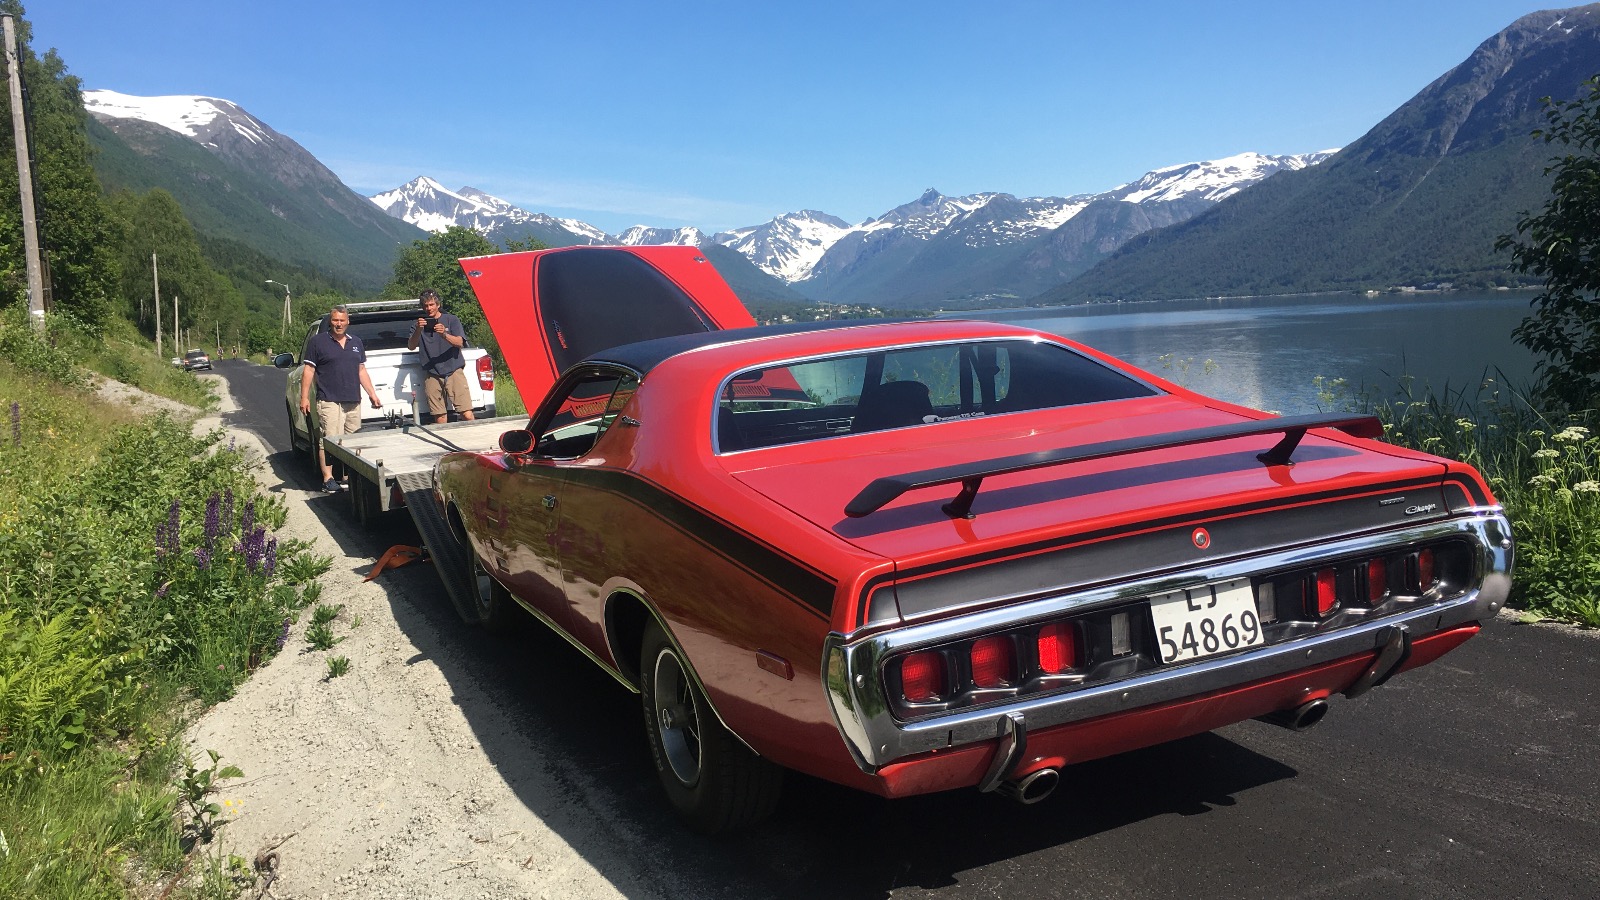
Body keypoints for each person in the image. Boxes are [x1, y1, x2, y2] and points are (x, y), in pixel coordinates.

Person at [299, 305, 382, 493]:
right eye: (335, 320)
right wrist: (304, 397)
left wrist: (372, 394)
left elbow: (361, 370)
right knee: (329, 440)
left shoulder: (356, 342)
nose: (338, 324)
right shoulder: (318, 342)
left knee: (352, 441)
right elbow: (309, 370)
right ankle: (328, 479)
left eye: (342, 320)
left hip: (353, 399)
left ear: (348, 322)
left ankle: (347, 477)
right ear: (331, 321)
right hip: (329, 399)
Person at [407, 289, 475, 425]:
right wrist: (419, 330)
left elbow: (460, 342)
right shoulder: (418, 325)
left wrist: (444, 334)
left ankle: (476, 438)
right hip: (432, 373)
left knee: (466, 413)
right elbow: (411, 346)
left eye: (431, 305)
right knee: (440, 418)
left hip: (454, 369)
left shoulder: (451, 320)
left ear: (438, 305)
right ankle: (445, 444)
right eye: (426, 305)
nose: (428, 308)